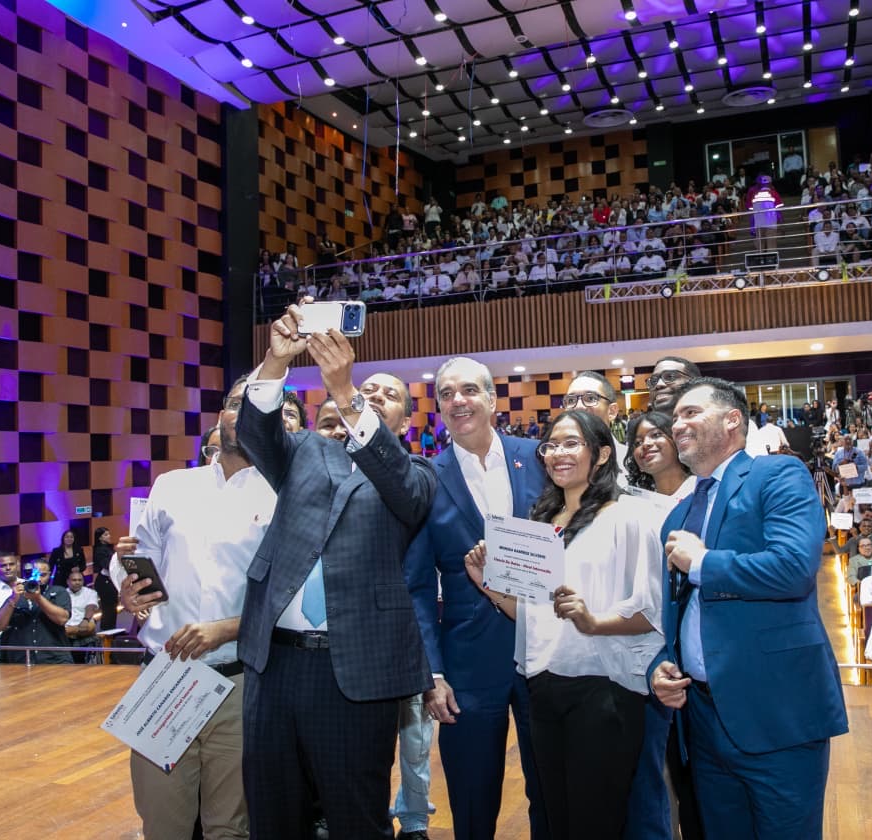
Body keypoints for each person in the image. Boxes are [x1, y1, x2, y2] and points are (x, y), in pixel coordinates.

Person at [236, 307, 437, 839]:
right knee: (272, 815)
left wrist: (348, 393)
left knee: (356, 819)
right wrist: (275, 363)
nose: (374, 395)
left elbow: (403, 491)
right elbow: (254, 434)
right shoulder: (305, 450)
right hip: (275, 663)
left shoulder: (418, 472)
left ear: (406, 422)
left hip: (356, 671)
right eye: (368, 389)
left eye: (389, 395)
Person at [651, 377, 847, 839]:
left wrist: (703, 562)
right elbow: (680, 609)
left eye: (691, 413)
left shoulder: (777, 475)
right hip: (703, 718)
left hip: (775, 711)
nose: (677, 424)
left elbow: (793, 568)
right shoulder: (678, 513)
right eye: (674, 417)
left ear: (732, 420)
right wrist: (664, 662)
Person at [463, 410, 664, 840]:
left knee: (596, 822)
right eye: (551, 445)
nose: (558, 453)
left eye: (571, 443)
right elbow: (531, 616)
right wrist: (489, 585)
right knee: (556, 816)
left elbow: (651, 613)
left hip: (605, 688)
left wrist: (593, 622)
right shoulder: (541, 522)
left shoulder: (630, 516)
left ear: (602, 454)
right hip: (544, 686)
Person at [112, 375, 274, 840]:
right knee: (163, 824)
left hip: (239, 684)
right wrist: (126, 586)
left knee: (230, 828)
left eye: (256, 405)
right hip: (165, 677)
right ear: (220, 416)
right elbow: (136, 559)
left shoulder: (280, 493)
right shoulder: (172, 485)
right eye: (235, 403)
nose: (242, 413)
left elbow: (286, 596)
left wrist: (228, 629)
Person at [403, 357, 549, 840]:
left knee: (553, 790)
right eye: (446, 394)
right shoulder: (426, 476)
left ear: (492, 398)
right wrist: (433, 673)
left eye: (468, 389)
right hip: (465, 664)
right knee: (471, 798)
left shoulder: (540, 458)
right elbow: (418, 585)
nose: (457, 400)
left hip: (547, 651)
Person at [624, 411, 700, 840]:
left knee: (698, 775)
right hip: (648, 645)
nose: (646, 445)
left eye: (656, 435)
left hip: (695, 640)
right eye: (637, 440)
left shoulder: (703, 494)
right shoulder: (631, 503)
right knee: (655, 768)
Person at [0, 559, 73, 664]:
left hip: (55, 659)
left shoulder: (58, 592)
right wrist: (12, 600)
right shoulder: (16, 596)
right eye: (33, 574)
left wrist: (38, 598)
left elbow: (62, 619)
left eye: (43, 575)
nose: (38, 579)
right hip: (21, 660)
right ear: (25, 575)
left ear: (49, 575)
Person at [64, 567, 99, 663]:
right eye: (74, 580)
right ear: (68, 581)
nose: (77, 582)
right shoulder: (62, 594)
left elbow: (91, 606)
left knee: (89, 626)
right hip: (66, 629)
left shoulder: (90, 593)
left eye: (80, 580)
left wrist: (85, 619)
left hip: (83, 627)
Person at [91, 527, 119, 632]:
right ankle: (107, 630)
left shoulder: (109, 548)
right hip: (104, 581)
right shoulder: (99, 550)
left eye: (108, 534)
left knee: (113, 606)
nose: (109, 536)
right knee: (108, 608)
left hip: (110, 580)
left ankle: (112, 629)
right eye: (106, 534)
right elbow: (107, 565)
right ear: (100, 538)